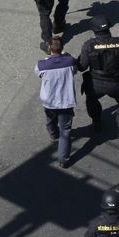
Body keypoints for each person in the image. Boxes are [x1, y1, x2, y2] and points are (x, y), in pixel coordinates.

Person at [77, 15, 119, 141]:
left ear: (94, 30)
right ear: (109, 28)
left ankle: (96, 122)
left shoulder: (89, 45)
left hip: (95, 84)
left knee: (91, 101)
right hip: (117, 82)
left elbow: (82, 67)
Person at [34, 37, 78, 167]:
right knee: (65, 129)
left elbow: (39, 75)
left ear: (49, 49)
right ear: (62, 47)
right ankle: (63, 159)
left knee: (50, 120)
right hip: (66, 101)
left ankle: (53, 135)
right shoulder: (70, 61)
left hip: (49, 101)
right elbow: (75, 69)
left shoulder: (41, 65)